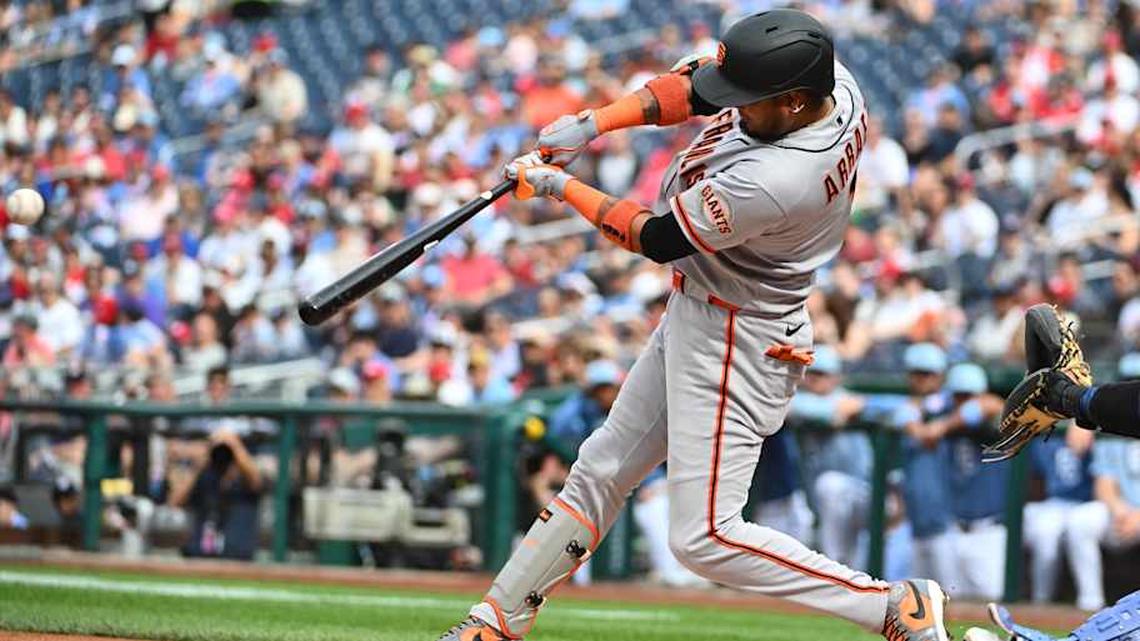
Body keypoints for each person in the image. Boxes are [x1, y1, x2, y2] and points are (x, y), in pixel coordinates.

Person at [439, 11, 950, 641]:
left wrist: (558, 186)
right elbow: (697, 87)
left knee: (704, 537)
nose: (732, 108)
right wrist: (593, 123)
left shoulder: (780, 177)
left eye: (752, 101)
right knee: (599, 468)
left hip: (743, 336)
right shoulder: (830, 83)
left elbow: (656, 237)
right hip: (705, 308)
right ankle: (495, 623)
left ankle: (892, 606)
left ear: (793, 103)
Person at [1022, 427, 1096, 606]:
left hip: (1089, 503)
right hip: (1053, 503)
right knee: (1045, 532)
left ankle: (1091, 603)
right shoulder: (1044, 425)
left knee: (1080, 525)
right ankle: (1041, 603)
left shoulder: (1097, 415)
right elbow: (1034, 481)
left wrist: (1090, 426)